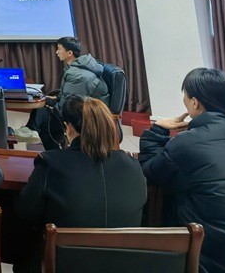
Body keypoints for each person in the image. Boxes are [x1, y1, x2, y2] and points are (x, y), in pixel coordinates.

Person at [139, 68, 225, 273]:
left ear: (194, 102)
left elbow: (149, 172)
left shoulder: (186, 142)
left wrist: (158, 130)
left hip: (211, 255)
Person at [16, 95, 146, 227]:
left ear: (68, 128)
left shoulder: (50, 163)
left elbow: (26, 212)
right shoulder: (134, 166)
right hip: (125, 241)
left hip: (61, 241)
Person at [29, 37, 108, 150]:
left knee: (46, 118)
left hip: (87, 113)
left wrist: (54, 108)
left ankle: (55, 150)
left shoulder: (78, 75)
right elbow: (69, 96)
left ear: (69, 53)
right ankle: (32, 130)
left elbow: (72, 105)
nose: (56, 52)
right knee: (42, 102)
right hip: (81, 105)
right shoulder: (77, 67)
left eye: (59, 49)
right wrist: (52, 99)